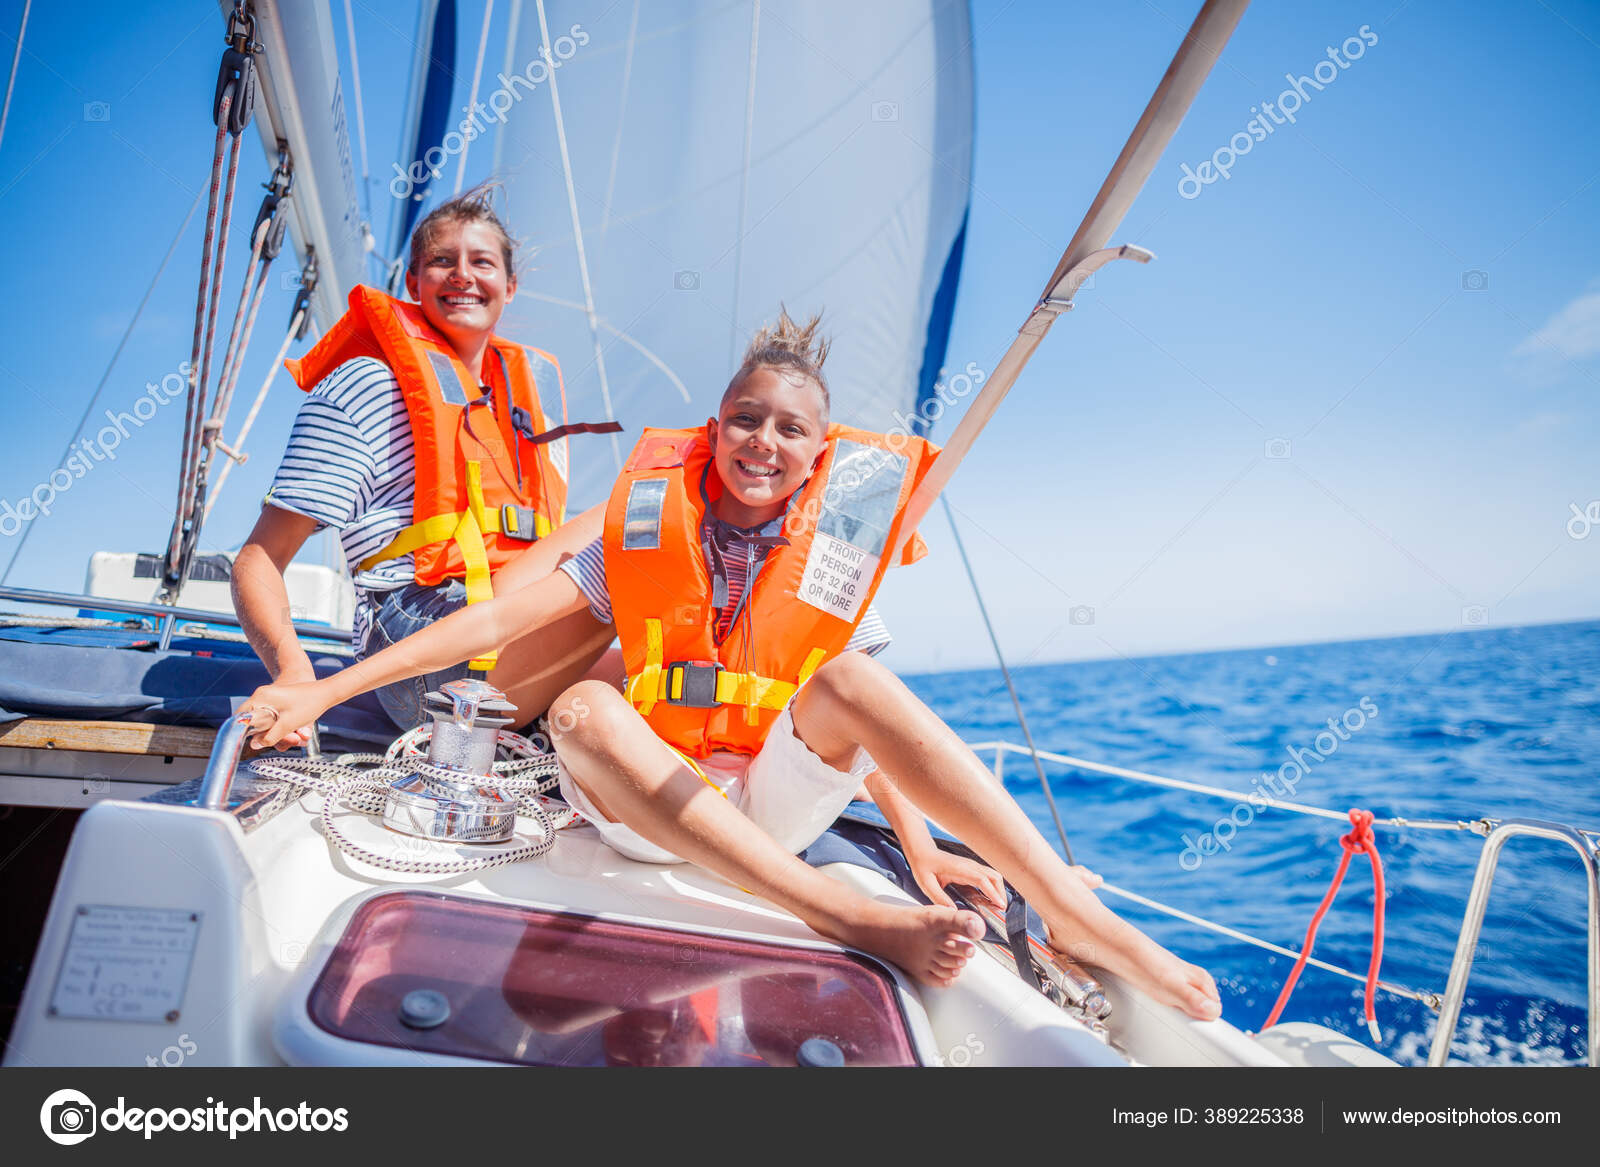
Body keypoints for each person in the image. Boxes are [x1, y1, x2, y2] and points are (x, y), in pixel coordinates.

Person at [241, 312, 1222, 1017]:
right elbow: (488, 621)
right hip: (647, 806)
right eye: (746, 419)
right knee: (584, 708)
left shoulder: (830, 557)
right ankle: (833, 910)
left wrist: (919, 850)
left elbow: (868, 725)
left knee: (849, 678)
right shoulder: (636, 529)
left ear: (816, 452)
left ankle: (1073, 911)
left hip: (766, 796)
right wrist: (322, 689)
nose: (764, 441)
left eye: (789, 429)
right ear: (716, 427)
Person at [231, 186, 617, 745]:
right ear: (413, 283)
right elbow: (259, 559)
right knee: (635, 524)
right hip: (417, 659)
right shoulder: (367, 385)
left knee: (664, 682)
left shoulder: (523, 404)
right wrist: (296, 674)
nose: (462, 275)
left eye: (481, 262)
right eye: (442, 261)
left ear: (510, 287)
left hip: (502, 629)